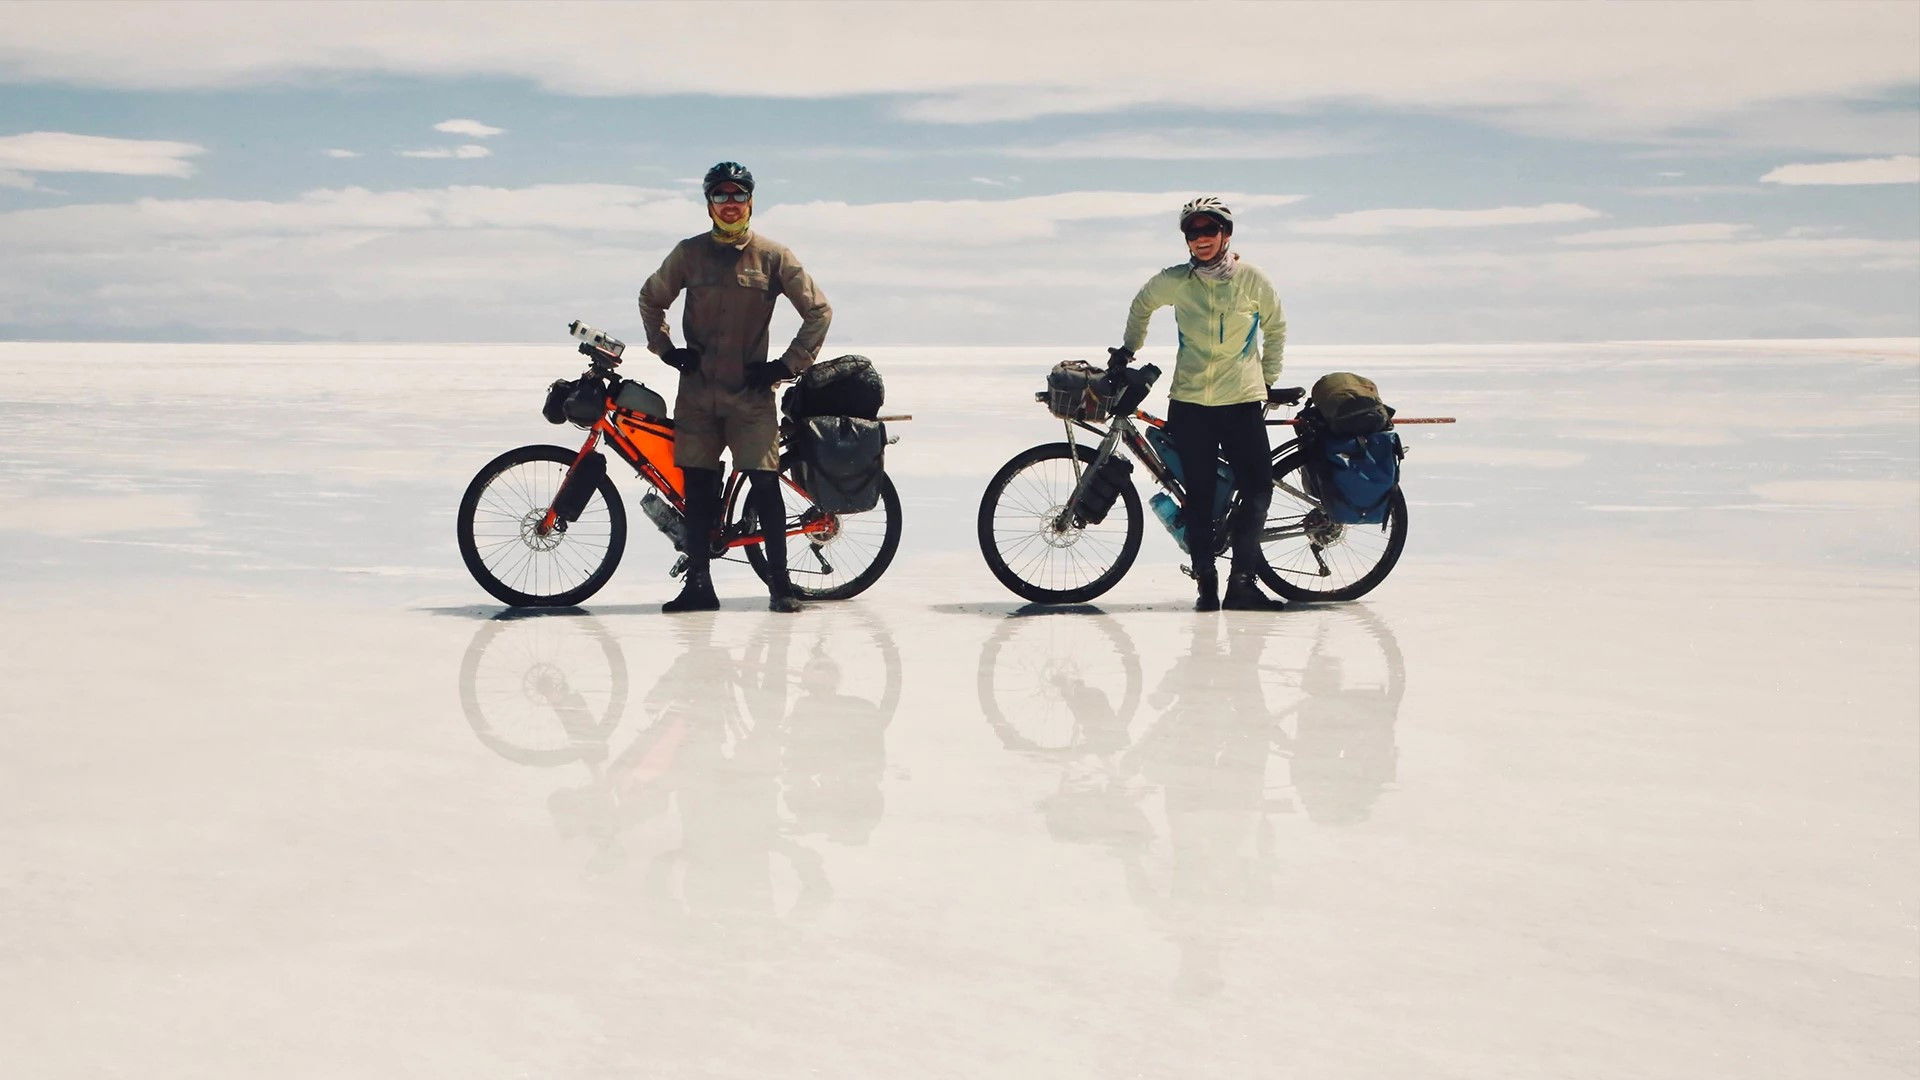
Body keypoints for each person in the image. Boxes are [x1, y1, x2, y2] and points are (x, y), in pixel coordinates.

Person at [638, 161, 833, 614]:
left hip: (751, 395)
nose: (730, 204)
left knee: (765, 485)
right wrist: (666, 350)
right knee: (699, 488)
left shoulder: (773, 255)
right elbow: (651, 297)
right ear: (709, 203)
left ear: (751, 201)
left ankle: (781, 587)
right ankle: (699, 587)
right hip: (698, 392)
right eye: (721, 196)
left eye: (737, 195)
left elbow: (818, 311)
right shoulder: (689, 254)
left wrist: (785, 365)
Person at [1110, 196, 1288, 612]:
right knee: (1200, 497)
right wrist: (1128, 349)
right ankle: (1206, 585)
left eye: (1210, 230)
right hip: (1190, 403)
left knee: (1258, 488)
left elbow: (1276, 327)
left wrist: (1268, 379)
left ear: (1226, 234)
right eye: (1194, 232)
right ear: (1186, 240)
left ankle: (1241, 583)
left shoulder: (1252, 279)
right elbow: (1142, 305)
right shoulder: (1176, 281)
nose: (1202, 239)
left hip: (1242, 401)